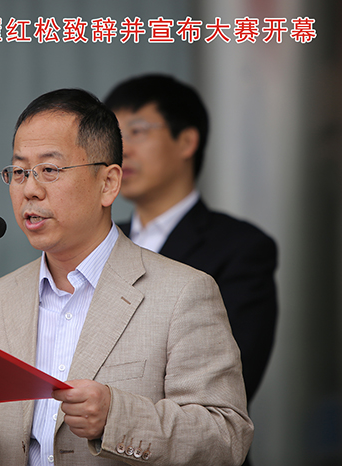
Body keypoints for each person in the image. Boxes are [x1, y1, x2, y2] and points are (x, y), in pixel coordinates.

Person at [0, 89, 253, 466]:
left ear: (108, 183)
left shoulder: (182, 293)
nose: (30, 189)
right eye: (19, 172)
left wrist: (116, 417)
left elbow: (226, 438)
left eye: (50, 170)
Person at [104, 74, 278, 403]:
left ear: (186, 141)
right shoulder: (101, 241)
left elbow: (232, 381)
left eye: (138, 131)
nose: (121, 150)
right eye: (115, 135)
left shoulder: (241, 248)